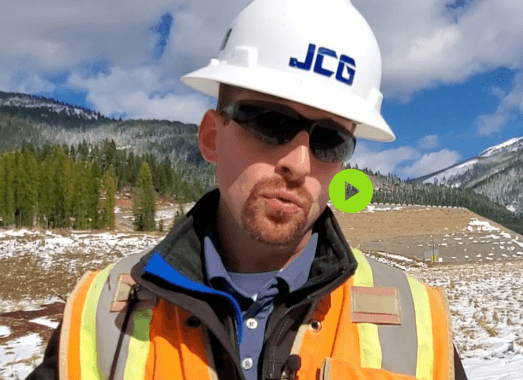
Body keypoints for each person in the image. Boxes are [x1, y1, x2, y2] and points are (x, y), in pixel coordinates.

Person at [27, 0, 468, 379]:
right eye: (270, 123)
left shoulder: (418, 326)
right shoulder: (100, 316)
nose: (298, 163)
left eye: (329, 139)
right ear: (210, 137)